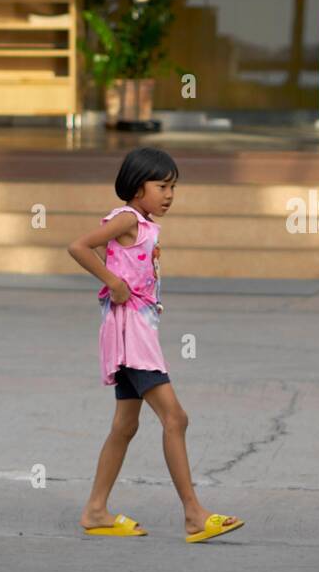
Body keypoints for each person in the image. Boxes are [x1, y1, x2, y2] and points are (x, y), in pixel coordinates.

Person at [67, 146, 243, 543]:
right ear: (136, 185)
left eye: (173, 187)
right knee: (175, 418)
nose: (169, 194)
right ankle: (195, 515)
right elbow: (78, 245)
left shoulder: (138, 223)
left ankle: (96, 510)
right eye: (161, 185)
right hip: (133, 337)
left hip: (136, 331)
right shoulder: (127, 217)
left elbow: (105, 251)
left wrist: (113, 271)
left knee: (126, 425)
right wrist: (112, 281)